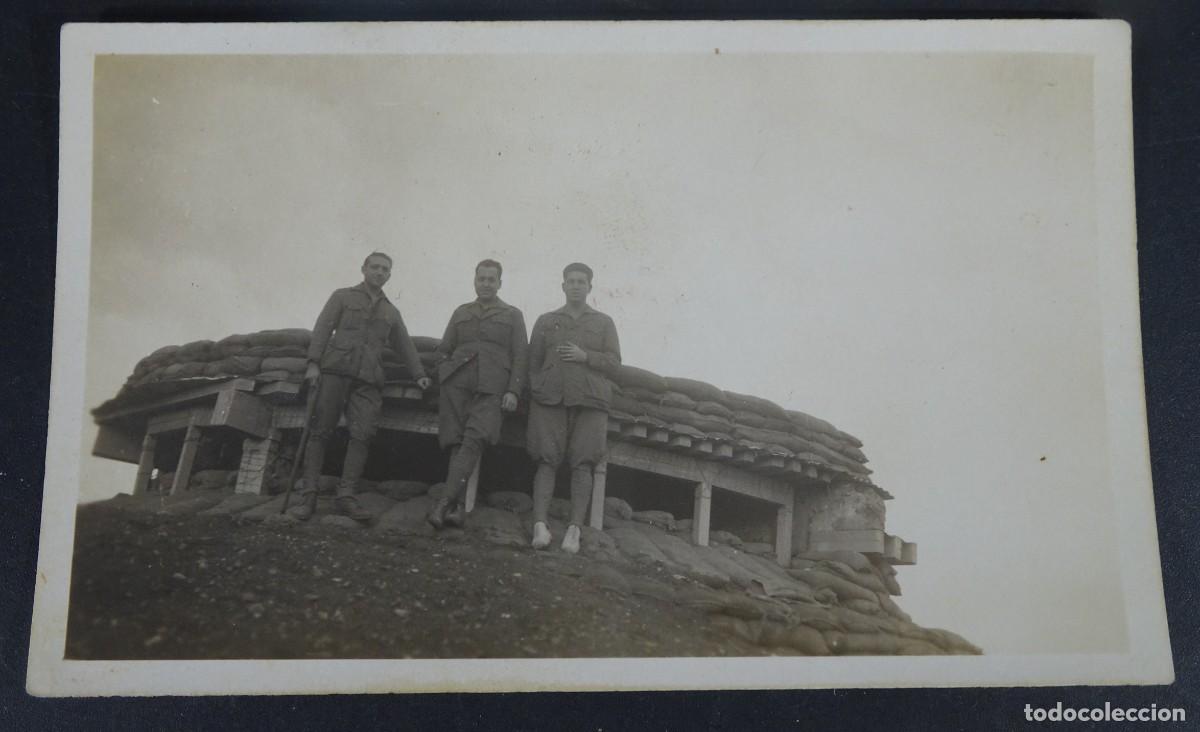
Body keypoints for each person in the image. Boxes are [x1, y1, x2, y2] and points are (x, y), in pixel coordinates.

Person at [290, 252, 432, 522]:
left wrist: (419, 374)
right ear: (363, 269)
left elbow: (405, 346)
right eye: (375, 267)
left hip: (368, 379)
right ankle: (308, 497)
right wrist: (313, 364)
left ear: (390, 275)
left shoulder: (391, 311)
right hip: (334, 372)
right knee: (319, 432)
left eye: (385, 269)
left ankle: (346, 496)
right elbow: (322, 328)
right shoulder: (342, 297)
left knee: (363, 434)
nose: (379, 272)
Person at [526, 263, 621, 553]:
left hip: (590, 401)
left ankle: (574, 530)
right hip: (550, 398)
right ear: (563, 286)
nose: (576, 285)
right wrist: (540, 386)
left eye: (582, 281)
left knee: (583, 462)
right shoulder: (546, 320)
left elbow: (614, 364)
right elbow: (533, 362)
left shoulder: (604, 322)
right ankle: (540, 526)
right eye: (571, 281)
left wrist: (586, 356)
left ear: (590, 287)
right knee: (547, 459)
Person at [427, 259, 529, 528]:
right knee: (457, 442)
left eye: (491, 279)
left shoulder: (512, 314)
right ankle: (458, 508)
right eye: (481, 279)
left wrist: (513, 391)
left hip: (493, 386)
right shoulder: (462, 311)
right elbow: (444, 347)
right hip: (457, 384)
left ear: (500, 283)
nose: (486, 284)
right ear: (474, 281)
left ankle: (442, 504)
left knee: (474, 439)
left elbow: (521, 356)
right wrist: (444, 373)